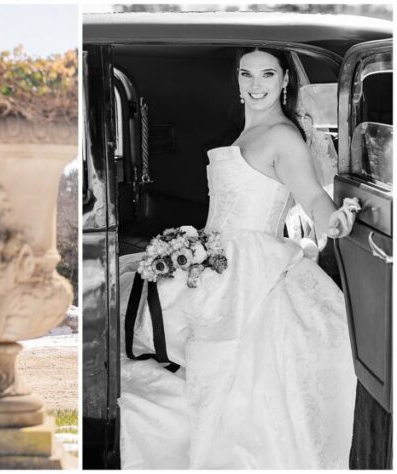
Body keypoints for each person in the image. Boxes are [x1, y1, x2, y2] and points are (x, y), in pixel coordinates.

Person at [118, 48, 361, 469]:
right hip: (216, 253)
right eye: (246, 74)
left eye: (267, 74)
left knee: (235, 375)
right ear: (237, 80)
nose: (256, 84)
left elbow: (313, 198)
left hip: (251, 266)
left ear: (285, 81)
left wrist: (334, 221)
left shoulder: (283, 136)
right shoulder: (245, 130)